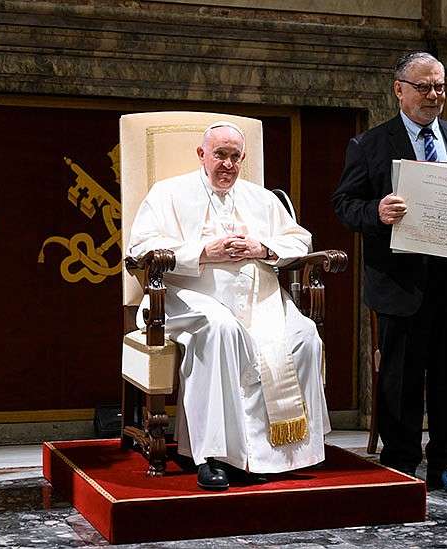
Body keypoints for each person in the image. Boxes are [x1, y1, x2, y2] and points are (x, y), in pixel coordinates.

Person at [332, 51, 447, 496]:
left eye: (439, 86)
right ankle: (399, 464)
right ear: (399, 90)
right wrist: (376, 210)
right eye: (424, 87)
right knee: (400, 380)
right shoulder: (370, 145)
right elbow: (344, 206)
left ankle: (446, 464)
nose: (434, 95)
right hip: (399, 282)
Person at [127, 121, 331, 491]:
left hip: (260, 298)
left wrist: (263, 249)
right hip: (187, 297)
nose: (228, 164)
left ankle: (276, 453)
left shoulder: (262, 198)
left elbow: (300, 241)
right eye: (220, 154)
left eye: (235, 157)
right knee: (221, 328)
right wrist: (203, 252)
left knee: (305, 335)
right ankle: (211, 454)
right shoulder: (167, 193)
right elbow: (140, 248)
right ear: (202, 154)